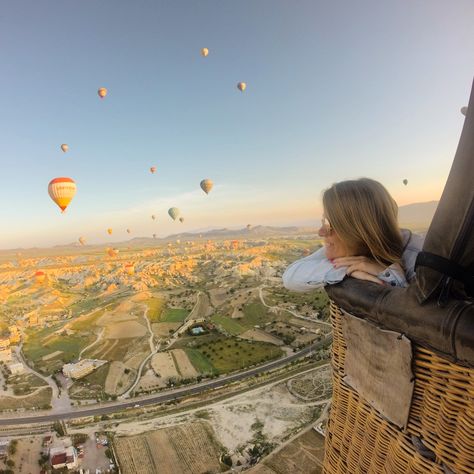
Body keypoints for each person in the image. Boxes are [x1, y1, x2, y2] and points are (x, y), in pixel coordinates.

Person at [283, 178, 424, 292]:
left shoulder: (420, 261)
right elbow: (290, 276)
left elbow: (422, 321)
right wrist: (347, 269)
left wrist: (391, 277)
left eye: (329, 224)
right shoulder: (352, 247)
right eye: (324, 222)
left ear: (358, 229)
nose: (321, 232)